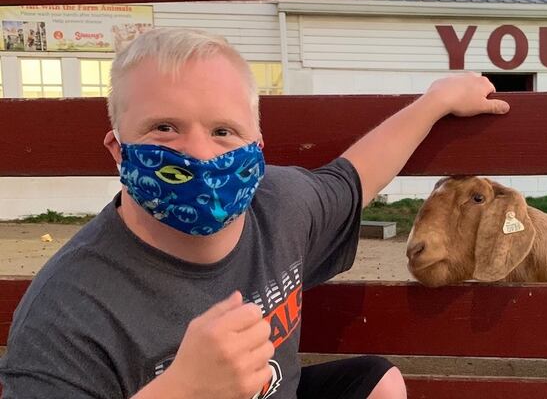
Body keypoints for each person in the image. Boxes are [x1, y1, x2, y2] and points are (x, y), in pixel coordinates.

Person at [0, 28, 509, 398]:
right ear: (118, 148)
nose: (200, 154)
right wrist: (179, 393)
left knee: (378, 383)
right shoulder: (67, 311)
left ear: (257, 147)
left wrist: (435, 102)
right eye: (164, 129)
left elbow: (354, 177)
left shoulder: (281, 205)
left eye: (223, 131)